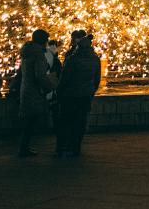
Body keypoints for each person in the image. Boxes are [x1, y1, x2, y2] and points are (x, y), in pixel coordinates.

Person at [55, 30, 101, 157]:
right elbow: (97, 79)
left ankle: (61, 148)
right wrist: (91, 91)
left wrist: (58, 91)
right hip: (86, 95)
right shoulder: (95, 59)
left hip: (70, 95)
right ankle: (76, 148)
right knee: (80, 122)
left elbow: (65, 78)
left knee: (65, 121)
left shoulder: (72, 59)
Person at [17, 29, 56, 158]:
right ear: (43, 41)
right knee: (30, 121)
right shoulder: (38, 54)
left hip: (27, 89)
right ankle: (24, 148)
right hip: (35, 91)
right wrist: (50, 87)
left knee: (28, 121)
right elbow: (40, 75)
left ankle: (24, 147)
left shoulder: (27, 52)